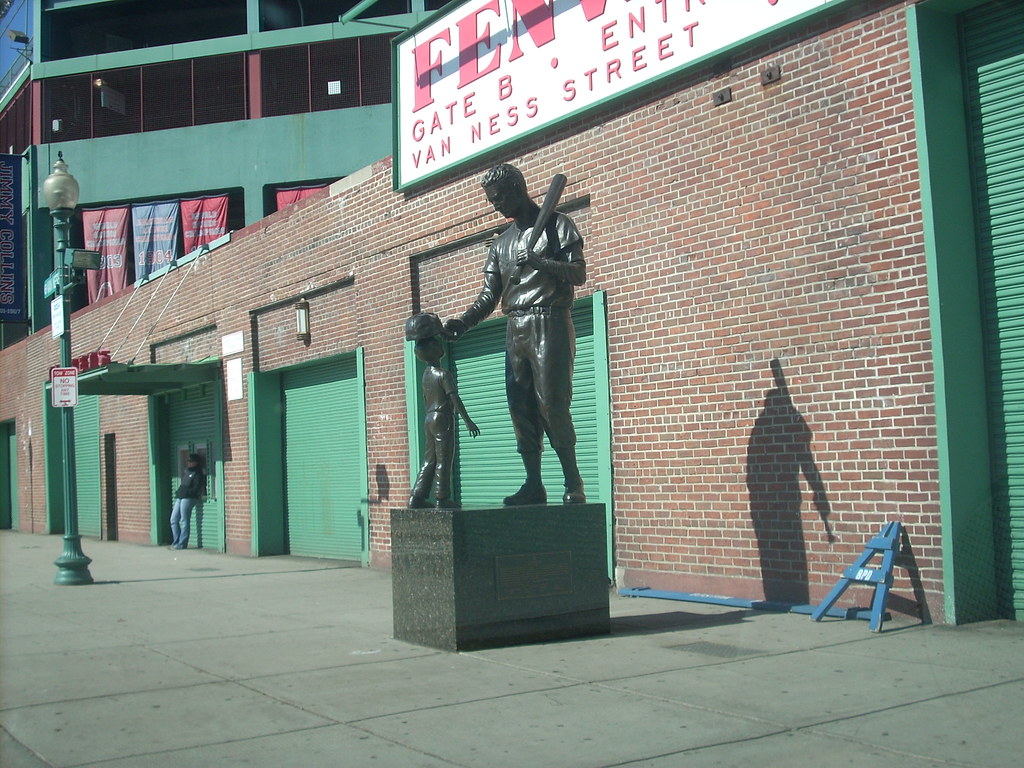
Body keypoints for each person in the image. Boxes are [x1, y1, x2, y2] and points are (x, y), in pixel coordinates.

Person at [444, 164, 587, 505]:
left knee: (552, 404)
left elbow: (579, 274)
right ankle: (534, 483)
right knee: (520, 407)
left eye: (499, 198)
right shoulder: (501, 244)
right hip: (516, 327)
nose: (496, 205)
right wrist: (462, 323)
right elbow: (488, 296)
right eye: (491, 201)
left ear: (517, 189)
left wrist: (542, 262)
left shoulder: (557, 224)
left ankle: (573, 482)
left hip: (549, 319)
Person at [406, 313, 480, 508]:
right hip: (442, 417)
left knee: (429, 459)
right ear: (432, 350)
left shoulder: (425, 376)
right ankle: (442, 497)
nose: (441, 345)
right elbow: (454, 398)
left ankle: (417, 496)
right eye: (437, 343)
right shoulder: (443, 374)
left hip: (429, 418)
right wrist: (468, 421)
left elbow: (425, 399)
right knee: (444, 459)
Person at [170, 454, 205, 549]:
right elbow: (183, 486)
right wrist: (178, 492)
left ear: (196, 462)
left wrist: (186, 493)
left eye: (191, 461)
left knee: (184, 520)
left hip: (189, 498)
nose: (189, 463)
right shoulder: (187, 472)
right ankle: (176, 541)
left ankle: (182, 544)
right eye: (188, 461)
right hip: (180, 498)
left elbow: (196, 488)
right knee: (173, 520)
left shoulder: (198, 474)